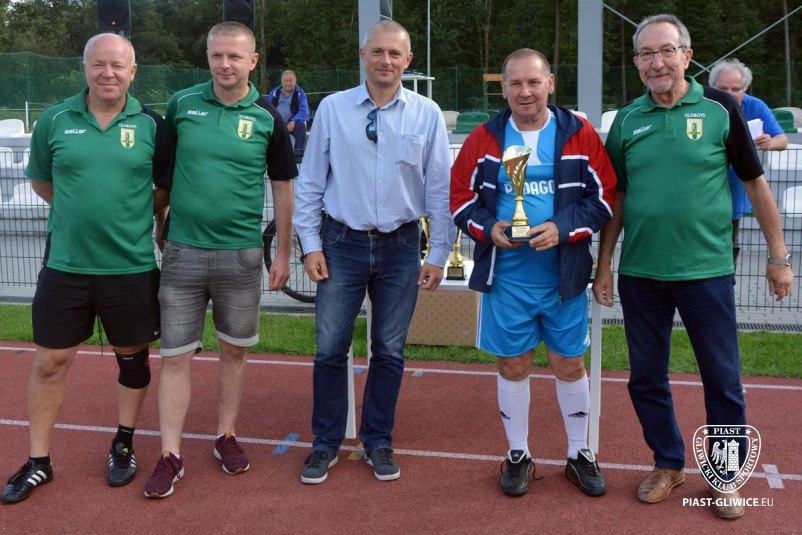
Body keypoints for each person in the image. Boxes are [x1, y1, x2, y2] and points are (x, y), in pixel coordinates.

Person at [594, 14, 793, 520]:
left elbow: (755, 185)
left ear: (686, 55)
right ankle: (668, 463)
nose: (656, 62)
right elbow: (618, 197)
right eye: (645, 54)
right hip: (641, 274)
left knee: (722, 379)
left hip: (706, 272)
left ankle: (726, 477)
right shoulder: (627, 120)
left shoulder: (721, 109)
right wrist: (604, 265)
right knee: (645, 378)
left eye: (666, 50)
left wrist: (779, 258)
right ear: (636, 62)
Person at [1, 33, 173, 504]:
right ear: (85, 68)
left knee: (132, 358)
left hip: (131, 266)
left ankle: (124, 443)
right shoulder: (55, 119)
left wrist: (128, 217)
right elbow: (41, 180)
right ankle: (39, 461)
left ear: (133, 71)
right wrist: (78, 212)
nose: (107, 73)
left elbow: (163, 189)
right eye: (99, 64)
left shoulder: (153, 125)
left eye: (117, 65)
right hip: (66, 266)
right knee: (50, 361)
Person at [293, 20, 454, 485]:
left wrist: (439, 252)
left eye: (395, 53)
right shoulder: (333, 108)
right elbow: (311, 181)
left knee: (389, 350)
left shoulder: (426, 113)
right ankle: (325, 443)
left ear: (408, 60)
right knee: (329, 349)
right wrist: (310, 245)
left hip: (401, 246)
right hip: (340, 243)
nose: (386, 60)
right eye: (377, 51)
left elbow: (439, 188)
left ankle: (378, 440)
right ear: (362, 55)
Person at [450, 48, 617, 498]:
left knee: (569, 363)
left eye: (534, 82)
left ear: (551, 84)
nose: (525, 92)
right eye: (515, 84)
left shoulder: (579, 133)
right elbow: (460, 199)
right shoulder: (485, 137)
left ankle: (579, 452)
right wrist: (488, 228)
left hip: (564, 278)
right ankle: (518, 453)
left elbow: (604, 198)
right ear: (503, 88)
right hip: (507, 279)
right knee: (514, 363)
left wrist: (563, 228)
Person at [144, 21, 297, 499]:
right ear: (207, 57)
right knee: (175, 357)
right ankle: (170, 454)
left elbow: (283, 188)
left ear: (253, 61)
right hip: (184, 253)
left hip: (242, 256)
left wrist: (282, 253)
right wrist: (160, 225)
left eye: (234, 56)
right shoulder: (181, 105)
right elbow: (164, 176)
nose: (225, 64)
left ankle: (225, 435)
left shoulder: (269, 117)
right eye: (217, 55)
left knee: (234, 351)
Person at [708, 59, 789, 264]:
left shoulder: (755, 106)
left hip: (735, 187)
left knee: (730, 243)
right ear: (712, 87)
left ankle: (728, 278)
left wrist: (769, 142)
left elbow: (783, 140)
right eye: (723, 89)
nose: (730, 94)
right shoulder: (702, 105)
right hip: (704, 186)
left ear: (745, 88)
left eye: (736, 89)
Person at [266, 70, 310, 158]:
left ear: (295, 80)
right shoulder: (274, 92)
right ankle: (268, 155)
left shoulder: (300, 93)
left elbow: (304, 111)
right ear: (281, 81)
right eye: (285, 81)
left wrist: (293, 121)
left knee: (301, 126)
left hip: (293, 123)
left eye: (290, 81)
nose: (288, 83)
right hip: (276, 122)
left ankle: (298, 155)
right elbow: (267, 108)